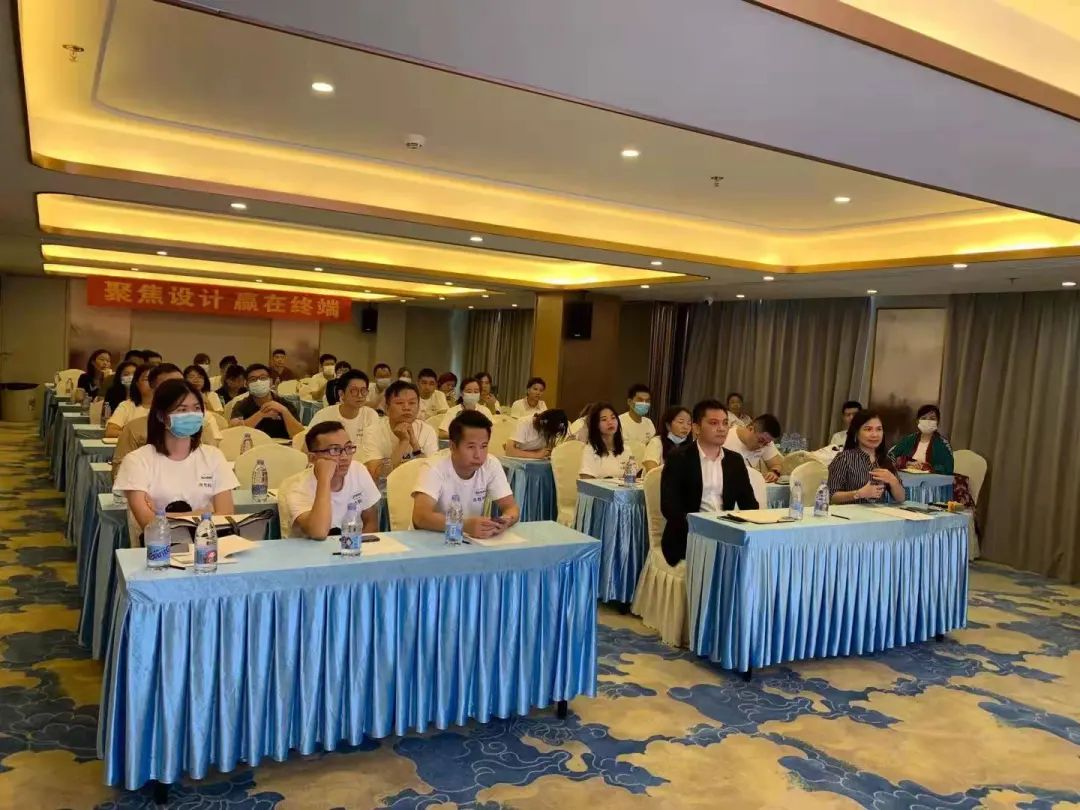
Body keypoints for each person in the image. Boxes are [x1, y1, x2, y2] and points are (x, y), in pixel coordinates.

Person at [113, 379, 238, 531]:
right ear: (161, 416)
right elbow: (148, 523)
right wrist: (204, 514)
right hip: (159, 544)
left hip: (207, 541)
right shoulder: (136, 460)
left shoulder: (213, 456)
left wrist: (162, 515)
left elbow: (225, 516)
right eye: (182, 410)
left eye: (196, 408)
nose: (191, 415)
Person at [660, 400, 759, 564]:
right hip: (689, 537)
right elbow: (669, 507)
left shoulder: (734, 461)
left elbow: (749, 504)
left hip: (727, 536)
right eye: (714, 423)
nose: (722, 428)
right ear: (697, 428)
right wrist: (704, 530)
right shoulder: (679, 458)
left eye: (725, 423)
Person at [412, 410, 519, 538]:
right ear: (452, 446)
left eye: (483, 446)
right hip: (430, 539)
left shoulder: (491, 464)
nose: (478, 455)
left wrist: (504, 521)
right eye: (471, 447)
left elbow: (511, 508)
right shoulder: (434, 467)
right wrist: (462, 525)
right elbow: (420, 517)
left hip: (469, 539)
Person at [111, 365, 223, 476]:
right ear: (154, 390)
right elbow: (119, 472)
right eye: (169, 386)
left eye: (181, 384)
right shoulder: (134, 428)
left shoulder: (200, 422)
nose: (178, 390)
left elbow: (213, 465)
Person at [280, 420, 381, 539]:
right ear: (312, 458)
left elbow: (371, 522)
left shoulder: (358, 470)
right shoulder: (295, 487)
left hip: (352, 546)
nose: (344, 457)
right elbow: (318, 532)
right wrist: (324, 479)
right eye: (334, 450)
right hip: (310, 550)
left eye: (348, 447)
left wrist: (354, 546)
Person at [359, 380, 439, 476]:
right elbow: (377, 474)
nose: (406, 408)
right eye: (400, 403)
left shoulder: (427, 430)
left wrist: (415, 444)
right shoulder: (372, 432)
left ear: (418, 408)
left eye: (412, 403)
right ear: (387, 409)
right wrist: (403, 442)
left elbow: (431, 473)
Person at [828, 410, 905, 504]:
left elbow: (901, 498)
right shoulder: (844, 458)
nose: (875, 434)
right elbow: (830, 496)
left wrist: (892, 480)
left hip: (879, 512)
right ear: (856, 432)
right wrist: (859, 493)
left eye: (879, 429)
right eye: (868, 429)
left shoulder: (885, 459)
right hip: (850, 512)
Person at [230, 363, 303, 440]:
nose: (258, 382)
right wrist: (261, 414)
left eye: (263, 378)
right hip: (253, 446)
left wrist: (284, 411)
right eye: (253, 379)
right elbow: (234, 431)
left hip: (282, 446)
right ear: (247, 385)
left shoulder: (285, 404)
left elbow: (299, 436)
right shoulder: (241, 405)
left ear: (271, 381)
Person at [308, 370, 378, 446]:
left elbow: (373, 446)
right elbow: (307, 443)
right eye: (354, 391)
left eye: (363, 390)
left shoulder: (370, 415)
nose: (360, 395)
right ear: (341, 394)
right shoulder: (324, 415)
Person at [889, 405, 954, 474]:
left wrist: (927, 467)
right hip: (904, 477)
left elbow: (949, 468)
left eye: (932, 419)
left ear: (938, 422)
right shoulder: (909, 440)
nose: (928, 421)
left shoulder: (943, 444)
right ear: (918, 421)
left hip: (931, 479)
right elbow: (890, 457)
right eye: (924, 418)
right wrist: (907, 463)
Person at [579, 403, 635, 479]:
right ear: (596, 425)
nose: (610, 422)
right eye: (604, 419)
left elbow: (630, 480)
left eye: (613, 418)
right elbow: (586, 482)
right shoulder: (590, 450)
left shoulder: (626, 449)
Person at [723, 413, 783, 483]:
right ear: (750, 429)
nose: (761, 446)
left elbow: (777, 464)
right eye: (760, 440)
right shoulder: (725, 440)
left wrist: (774, 472)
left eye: (766, 444)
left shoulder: (766, 441)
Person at [105, 363, 153, 439]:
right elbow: (111, 431)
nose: (152, 382)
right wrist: (139, 436)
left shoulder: (167, 406)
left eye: (155, 379)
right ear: (137, 383)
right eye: (146, 379)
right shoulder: (127, 405)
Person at [643, 405, 692, 472]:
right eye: (681, 422)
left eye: (689, 423)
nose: (686, 427)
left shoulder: (692, 446)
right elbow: (651, 470)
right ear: (668, 425)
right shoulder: (656, 442)